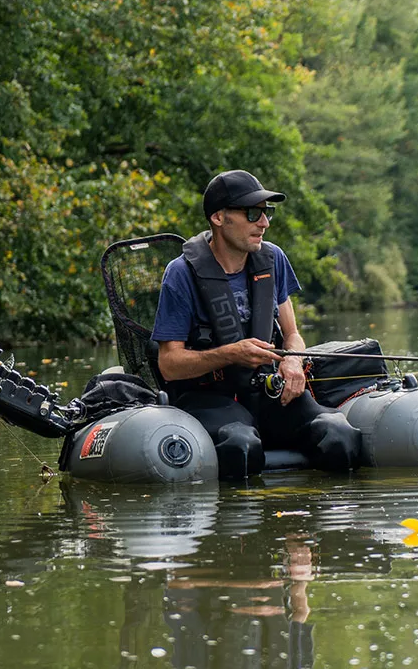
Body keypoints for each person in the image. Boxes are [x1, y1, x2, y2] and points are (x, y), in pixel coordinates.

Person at [150, 169, 361, 477]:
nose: (264, 223)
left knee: (339, 436)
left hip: (270, 391)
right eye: (252, 213)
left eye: (266, 213)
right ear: (219, 218)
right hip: (208, 399)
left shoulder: (273, 259)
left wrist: (293, 363)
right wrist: (230, 354)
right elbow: (169, 364)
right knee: (241, 446)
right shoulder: (180, 274)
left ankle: (310, 523)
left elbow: (293, 336)